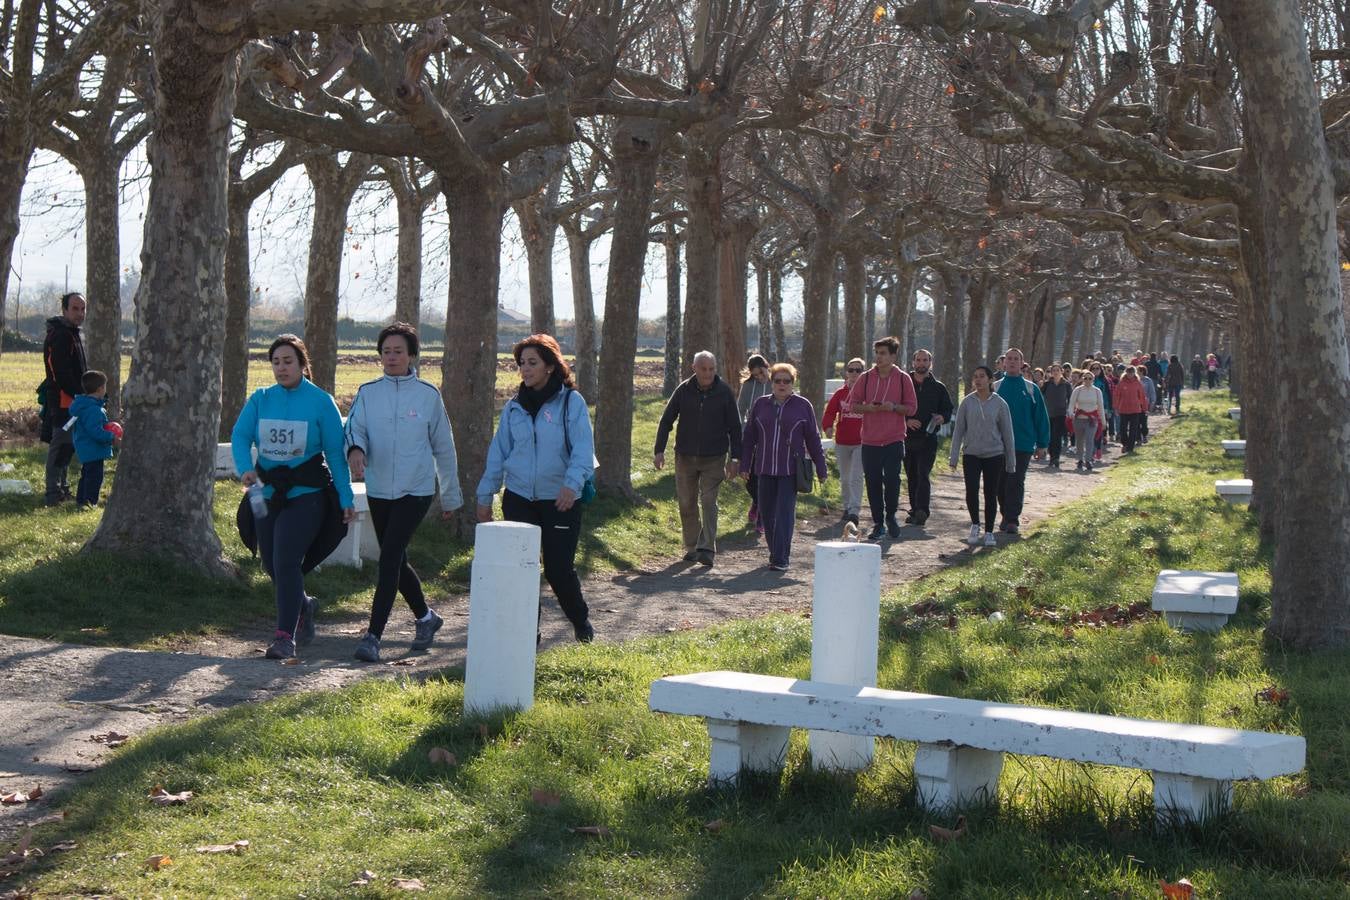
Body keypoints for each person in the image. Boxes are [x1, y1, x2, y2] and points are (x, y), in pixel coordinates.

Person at [232, 335, 356, 660]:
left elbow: (334, 452)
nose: (281, 368)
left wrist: (345, 497)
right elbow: (241, 435)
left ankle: (285, 637)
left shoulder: (321, 401)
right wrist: (246, 468)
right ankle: (304, 603)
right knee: (271, 562)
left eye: (288, 361)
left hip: (307, 493)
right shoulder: (260, 399)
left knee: (286, 559)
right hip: (265, 491)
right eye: (275, 362)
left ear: (302, 364)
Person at [345, 323, 462, 662]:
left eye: (398, 351)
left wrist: (451, 496)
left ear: (412, 355)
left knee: (389, 558)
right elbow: (356, 428)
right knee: (398, 559)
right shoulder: (368, 392)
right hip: (379, 488)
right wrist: (356, 450)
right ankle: (427, 618)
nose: (391, 357)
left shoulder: (428, 395)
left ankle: (373, 636)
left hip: (416, 489)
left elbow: (445, 448)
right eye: (386, 352)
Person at [477, 334, 595, 643]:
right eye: (521, 364)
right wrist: (485, 494)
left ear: (551, 367)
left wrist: (571, 485)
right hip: (518, 498)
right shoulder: (514, 407)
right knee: (522, 569)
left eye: (532, 363)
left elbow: (583, 449)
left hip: (560, 500)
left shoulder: (571, 402)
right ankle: (529, 631)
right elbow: (498, 452)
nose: (525, 369)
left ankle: (581, 622)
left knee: (557, 570)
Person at [653, 351, 742, 566]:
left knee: (709, 501)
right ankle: (692, 547)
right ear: (694, 368)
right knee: (687, 502)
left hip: (714, 457)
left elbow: (735, 428)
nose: (708, 373)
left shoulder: (724, 392)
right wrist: (659, 450)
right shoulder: (683, 391)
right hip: (685, 456)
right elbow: (666, 421)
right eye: (703, 369)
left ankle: (707, 548)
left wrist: (735, 458)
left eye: (711, 369)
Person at [740, 363, 827, 570]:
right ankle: (774, 552)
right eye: (777, 381)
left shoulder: (803, 405)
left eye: (786, 381)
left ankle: (782, 558)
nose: (781, 384)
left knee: (785, 514)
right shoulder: (760, 404)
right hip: (764, 468)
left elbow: (813, 439)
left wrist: (821, 468)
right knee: (767, 514)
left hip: (790, 470)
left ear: (792, 383)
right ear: (772, 383)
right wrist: (744, 464)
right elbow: (749, 437)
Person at [847, 336, 917, 541]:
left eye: (883, 353)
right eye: (877, 353)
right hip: (869, 440)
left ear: (893, 356)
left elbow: (912, 407)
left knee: (893, 480)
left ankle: (891, 516)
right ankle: (878, 523)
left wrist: (894, 407)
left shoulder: (903, 378)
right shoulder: (866, 377)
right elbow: (853, 404)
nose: (879, 357)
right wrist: (868, 408)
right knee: (874, 481)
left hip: (894, 438)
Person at [948, 366, 1016, 548]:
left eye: (982, 377)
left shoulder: (1000, 404)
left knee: (990, 493)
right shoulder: (967, 402)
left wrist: (1011, 461)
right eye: (975, 377)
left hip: (994, 454)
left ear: (990, 380)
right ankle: (975, 525)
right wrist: (953, 457)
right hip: (971, 454)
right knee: (971, 490)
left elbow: (1008, 434)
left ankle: (988, 532)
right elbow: (959, 431)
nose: (978, 380)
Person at [992, 347, 1049, 534]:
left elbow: (1041, 417)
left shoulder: (1031, 389)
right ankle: (1005, 512)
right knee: (1000, 482)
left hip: (1023, 444)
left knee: (1015, 481)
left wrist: (1042, 444)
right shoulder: (995, 387)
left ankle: (1012, 519)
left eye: (1016, 359)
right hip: (997, 444)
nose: (1012, 361)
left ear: (1022, 363)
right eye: (1009, 358)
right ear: (1003, 362)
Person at [42, 292, 88, 507]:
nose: (80, 313)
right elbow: (60, 373)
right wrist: (80, 394)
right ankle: (52, 493)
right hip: (63, 401)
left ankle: (62, 488)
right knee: (60, 445)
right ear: (64, 310)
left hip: (75, 400)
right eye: (75, 309)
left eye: (82, 308)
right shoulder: (60, 335)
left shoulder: (73, 334)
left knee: (69, 446)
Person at [903, 348, 953, 526]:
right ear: (913, 362)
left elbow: (947, 409)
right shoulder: (903, 383)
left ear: (930, 363)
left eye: (925, 360)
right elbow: (895, 408)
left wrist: (942, 418)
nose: (921, 363)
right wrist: (906, 421)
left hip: (928, 438)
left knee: (923, 473)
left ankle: (922, 510)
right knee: (911, 474)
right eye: (918, 360)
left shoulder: (938, 387)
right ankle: (914, 509)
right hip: (906, 437)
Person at [821, 357, 866, 527]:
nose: (854, 373)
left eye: (858, 370)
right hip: (842, 441)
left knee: (856, 476)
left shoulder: (867, 393)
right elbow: (830, 413)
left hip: (862, 441)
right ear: (846, 373)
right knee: (845, 478)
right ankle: (847, 507)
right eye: (851, 370)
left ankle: (854, 510)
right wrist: (828, 428)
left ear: (864, 373)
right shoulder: (840, 393)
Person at [68, 370, 118, 509]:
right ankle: (90, 502)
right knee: (94, 477)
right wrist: (112, 436)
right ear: (100, 388)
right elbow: (95, 431)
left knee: (86, 475)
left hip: (86, 448)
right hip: (93, 448)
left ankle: (81, 501)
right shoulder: (93, 410)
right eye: (105, 386)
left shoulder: (85, 405)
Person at [736, 354, 771, 533]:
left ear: (766, 366)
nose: (759, 377)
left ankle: (763, 518)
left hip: (771, 439)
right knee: (748, 477)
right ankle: (757, 502)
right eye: (755, 375)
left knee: (763, 477)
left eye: (761, 372)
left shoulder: (777, 383)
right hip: (751, 437)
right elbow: (740, 409)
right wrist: (744, 427)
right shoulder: (748, 386)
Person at [1069, 369, 1106, 471]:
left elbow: (1101, 407)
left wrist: (1103, 422)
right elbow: (1072, 404)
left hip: (1092, 420)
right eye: (1085, 378)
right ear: (1083, 379)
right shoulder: (1078, 390)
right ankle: (1080, 459)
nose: (1087, 380)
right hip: (1079, 419)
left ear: (1093, 379)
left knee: (1090, 440)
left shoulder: (1097, 391)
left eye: (1090, 378)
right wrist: (1070, 413)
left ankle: (1088, 460)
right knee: (1079, 441)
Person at [1040, 363, 1072, 469]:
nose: (1055, 372)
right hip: (1048, 414)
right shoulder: (1047, 384)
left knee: (1057, 436)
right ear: (1051, 373)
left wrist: (1070, 411)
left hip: (1061, 414)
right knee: (1050, 437)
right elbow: (1040, 396)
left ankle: (1056, 458)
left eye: (1057, 370)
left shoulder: (1066, 384)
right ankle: (1051, 456)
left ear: (1061, 371)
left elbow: (1070, 398)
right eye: (1053, 370)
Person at [1112, 366, 1149, 454]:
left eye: (1132, 372)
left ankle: (1130, 448)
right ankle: (1124, 444)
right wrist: (1116, 407)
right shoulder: (1121, 383)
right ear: (1126, 373)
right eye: (1128, 372)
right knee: (1123, 429)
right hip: (1124, 410)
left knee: (1134, 429)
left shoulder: (1138, 383)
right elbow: (1117, 396)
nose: (1130, 374)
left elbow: (1142, 397)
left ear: (1134, 373)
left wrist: (1145, 408)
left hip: (1135, 410)